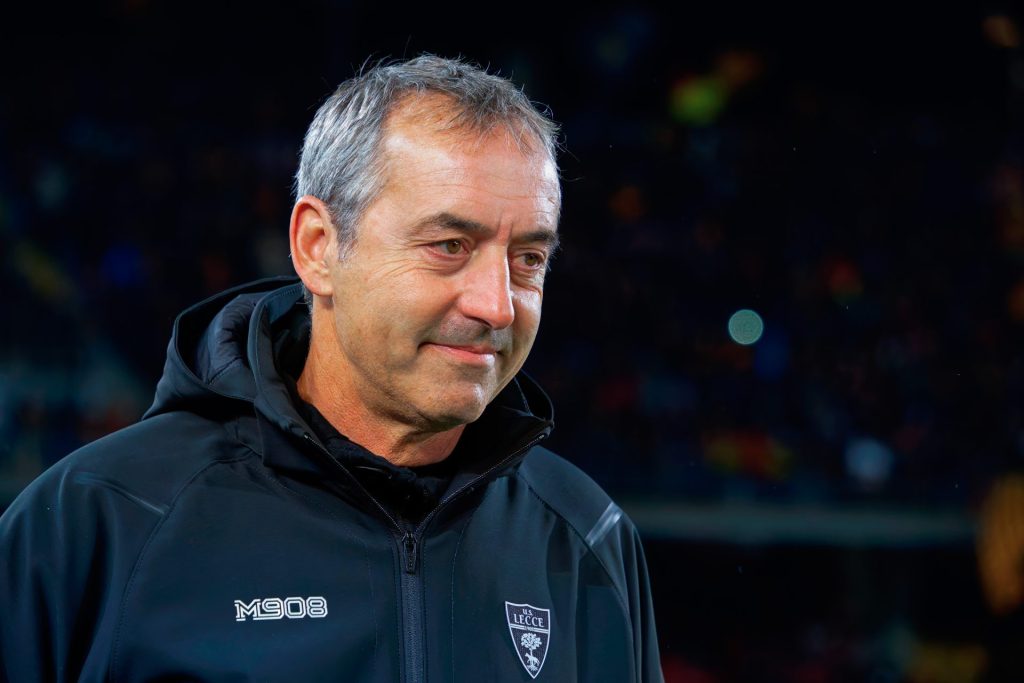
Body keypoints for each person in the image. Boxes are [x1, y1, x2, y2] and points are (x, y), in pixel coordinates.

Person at [0, 55, 663, 682]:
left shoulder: (587, 540)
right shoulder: (97, 522)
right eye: (448, 245)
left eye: (528, 259)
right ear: (318, 247)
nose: (497, 305)